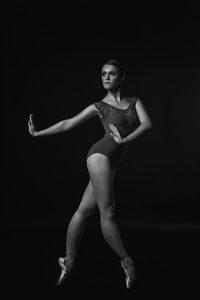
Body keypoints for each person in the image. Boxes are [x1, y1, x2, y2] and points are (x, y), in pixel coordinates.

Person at [28, 59, 152, 289]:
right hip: (99, 156)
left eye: (112, 74)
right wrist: (38, 133)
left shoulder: (134, 102)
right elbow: (69, 123)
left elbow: (147, 125)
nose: (106, 77)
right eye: (103, 74)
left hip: (111, 162)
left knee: (84, 210)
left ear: (121, 77)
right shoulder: (99, 106)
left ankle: (68, 260)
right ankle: (127, 262)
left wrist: (125, 139)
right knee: (108, 212)